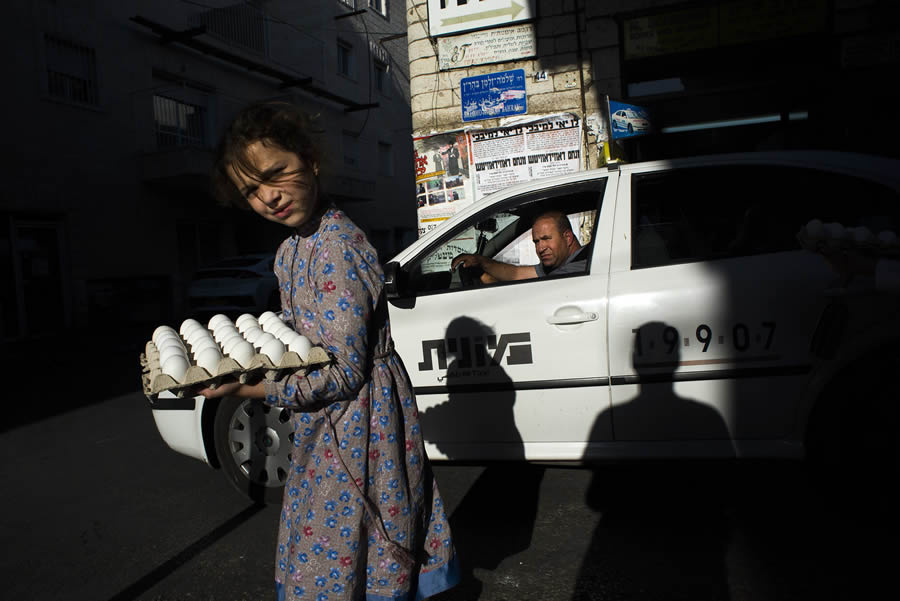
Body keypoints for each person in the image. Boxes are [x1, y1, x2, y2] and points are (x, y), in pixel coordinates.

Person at [200, 102, 459, 601]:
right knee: (338, 531)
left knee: (354, 527)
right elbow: (302, 337)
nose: (268, 197)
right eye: (251, 190)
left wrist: (247, 384)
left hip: (361, 420)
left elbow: (341, 375)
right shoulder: (292, 248)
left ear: (311, 159)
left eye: (276, 173)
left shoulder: (338, 245)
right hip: (332, 421)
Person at [450, 210, 588, 283]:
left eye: (546, 239)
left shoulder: (579, 268)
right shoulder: (559, 264)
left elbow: (525, 298)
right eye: (536, 242)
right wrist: (481, 262)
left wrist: (487, 279)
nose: (540, 248)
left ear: (568, 237)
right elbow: (517, 274)